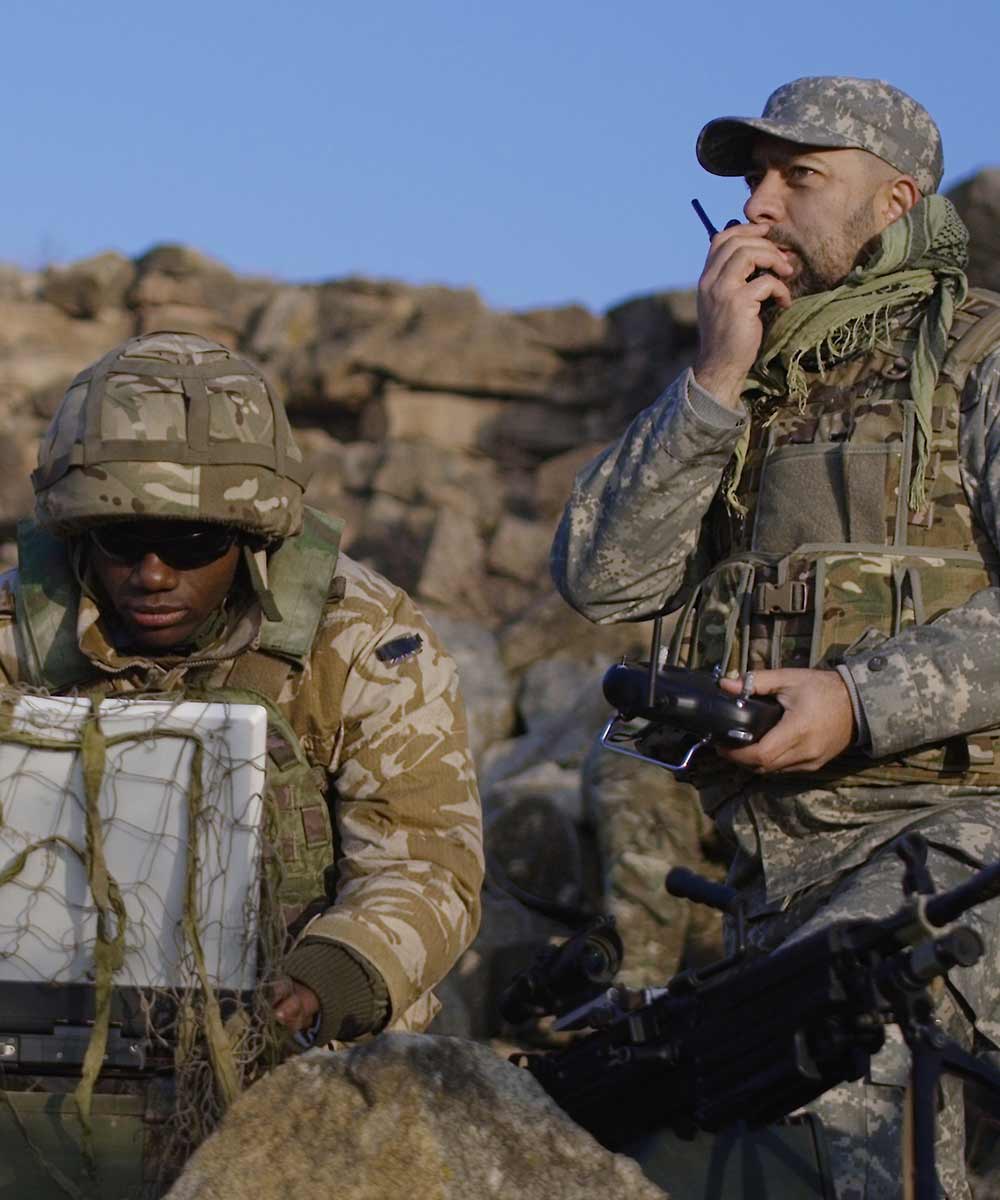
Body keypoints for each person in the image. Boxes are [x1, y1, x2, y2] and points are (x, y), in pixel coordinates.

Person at [551, 76, 1000, 1198]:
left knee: (834, 1079)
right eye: (750, 178)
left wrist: (855, 704)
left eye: (799, 176)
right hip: (768, 878)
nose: (757, 204)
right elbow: (604, 575)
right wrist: (709, 379)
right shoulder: (748, 375)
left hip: (959, 851)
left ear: (894, 201)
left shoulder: (980, 358)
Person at [0, 330, 484, 1187]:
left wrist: (335, 973)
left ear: (255, 540)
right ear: (78, 533)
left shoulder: (361, 640)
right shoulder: (16, 634)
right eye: (121, 540)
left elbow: (426, 862)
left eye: (190, 544)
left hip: (295, 1044)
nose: (151, 574)